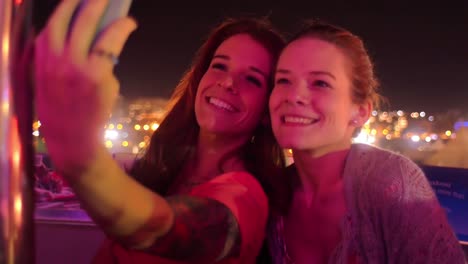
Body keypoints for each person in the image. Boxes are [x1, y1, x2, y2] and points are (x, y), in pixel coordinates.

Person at [34, 0, 285, 263]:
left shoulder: (246, 196)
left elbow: (158, 228)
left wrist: (80, 148)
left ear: (268, 110)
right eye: (219, 66)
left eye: (252, 79)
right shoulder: (163, 169)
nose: (228, 82)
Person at [264, 20, 465, 263]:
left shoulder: (391, 184)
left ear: (360, 112)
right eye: (283, 80)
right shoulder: (272, 199)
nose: (294, 96)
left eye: (320, 83)